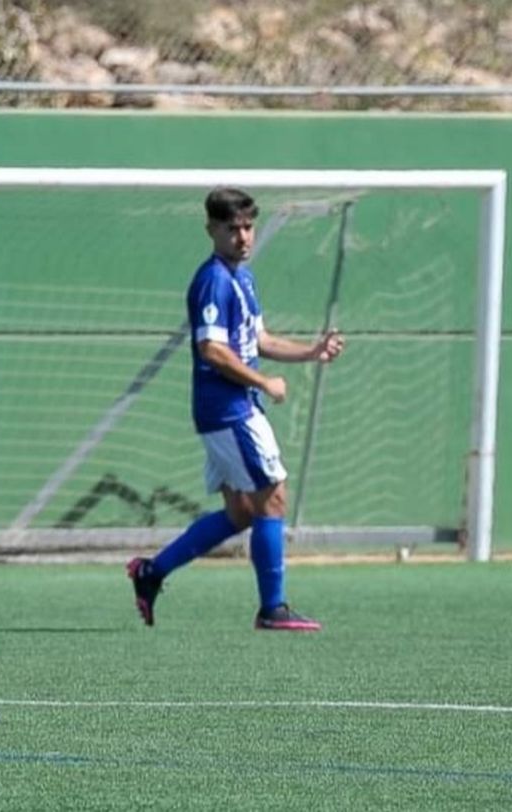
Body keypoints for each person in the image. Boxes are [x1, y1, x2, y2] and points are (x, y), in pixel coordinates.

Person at [127, 187, 345, 632]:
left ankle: (151, 572)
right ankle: (273, 608)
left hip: (235, 408)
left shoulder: (242, 277)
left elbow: (259, 341)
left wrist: (311, 352)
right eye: (232, 229)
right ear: (212, 230)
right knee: (273, 494)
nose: (243, 237)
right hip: (228, 410)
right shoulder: (213, 280)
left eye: (248, 227)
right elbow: (211, 348)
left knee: (242, 512)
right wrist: (263, 380)